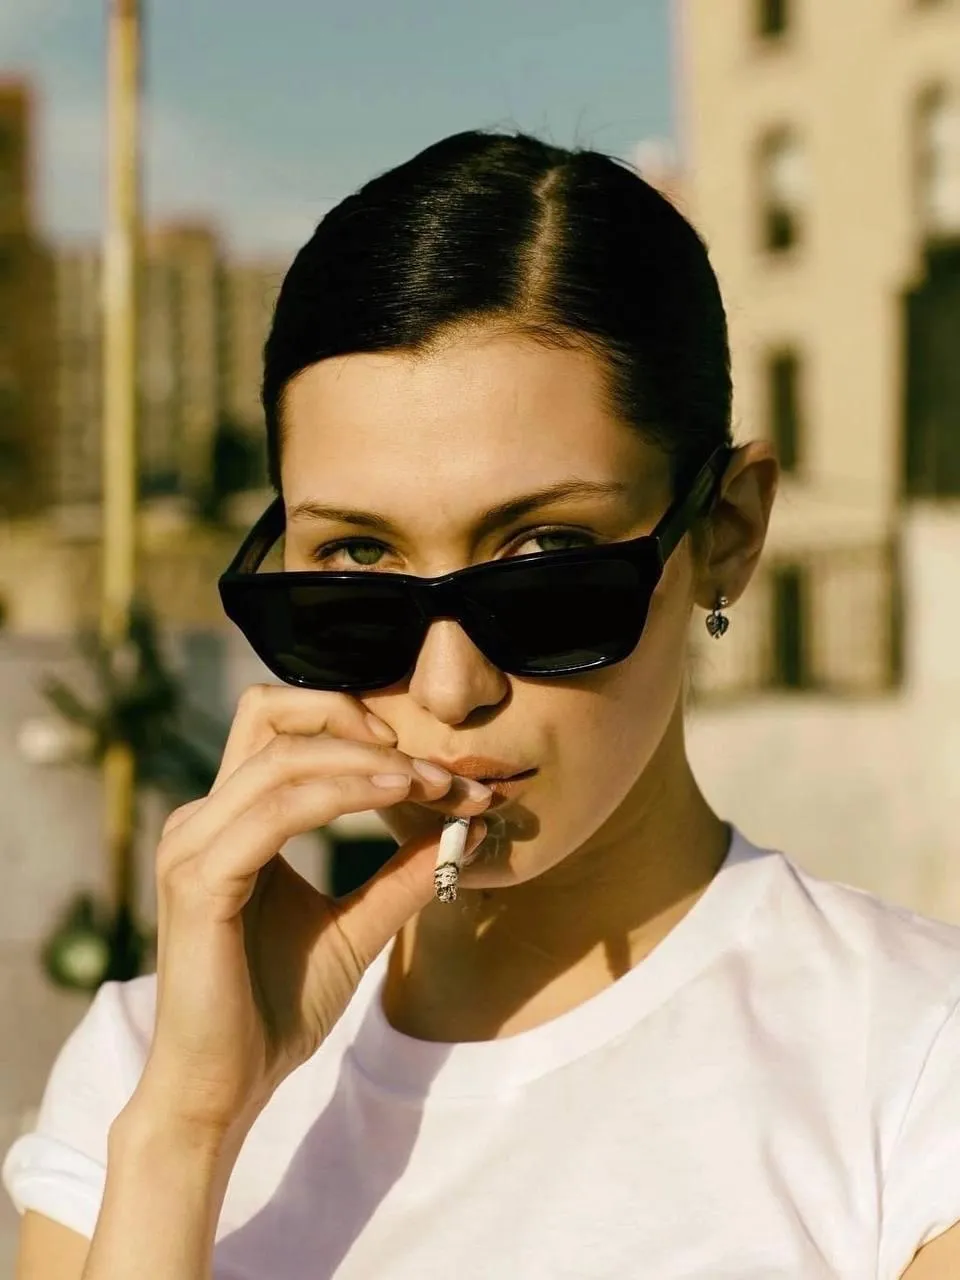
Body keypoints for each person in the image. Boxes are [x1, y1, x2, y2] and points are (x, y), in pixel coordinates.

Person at [5, 128, 960, 1280]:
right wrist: (186, 1134)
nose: (450, 685)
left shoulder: (913, 1068)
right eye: (357, 566)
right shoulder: (147, 1068)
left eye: (547, 557)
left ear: (727, 534)